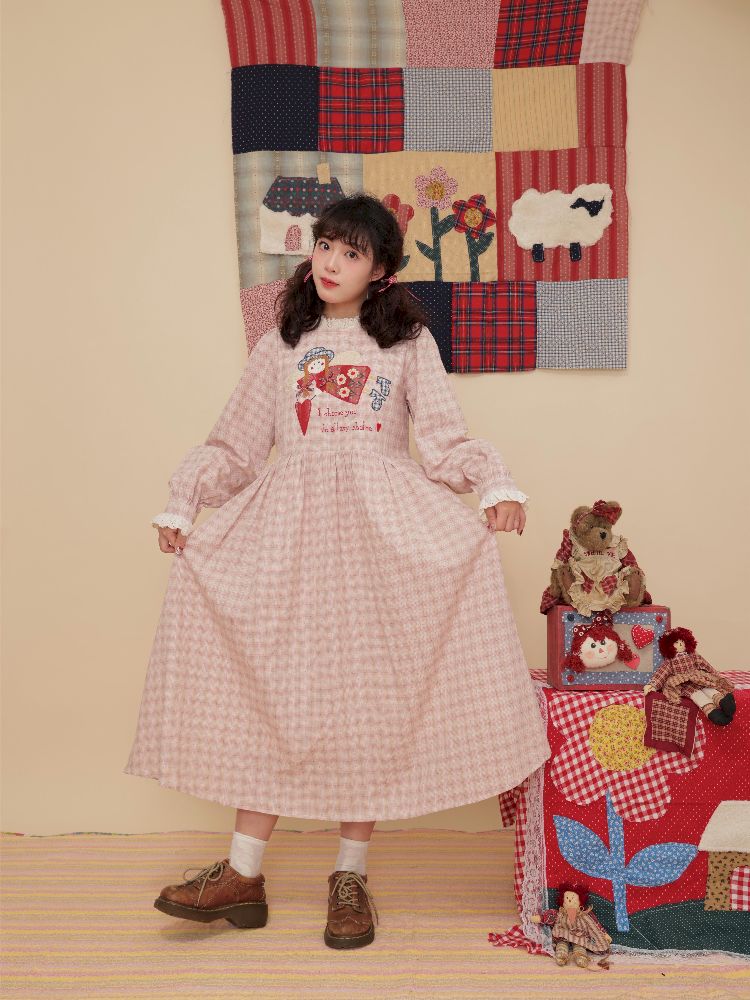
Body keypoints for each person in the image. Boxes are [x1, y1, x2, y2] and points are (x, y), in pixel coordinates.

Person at [124, 192, 552, 949]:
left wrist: (494, 484)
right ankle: (242, 873)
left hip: (381, 539)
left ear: (380, 271)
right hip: (289, 536)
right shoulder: (280, 344)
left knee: (371, 699)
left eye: (352, 253)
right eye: (325, 245)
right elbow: (236, 445)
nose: (331, 262)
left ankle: (350, 876)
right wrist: (187, 500)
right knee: (273, 691)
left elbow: (443, 438)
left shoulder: (407, 343)